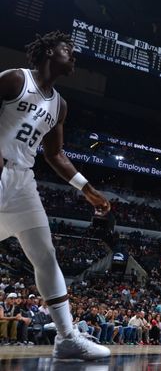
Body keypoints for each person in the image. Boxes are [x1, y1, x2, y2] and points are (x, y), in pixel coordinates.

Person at [0, 31, 111, 360]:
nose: (73, 56)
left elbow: (55, 154)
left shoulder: (59, 105)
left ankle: (67, 338)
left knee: (45, 256)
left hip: (22, 182)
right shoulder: (15, 80)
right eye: (68, 50)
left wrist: (88, 190)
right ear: (49, 51)